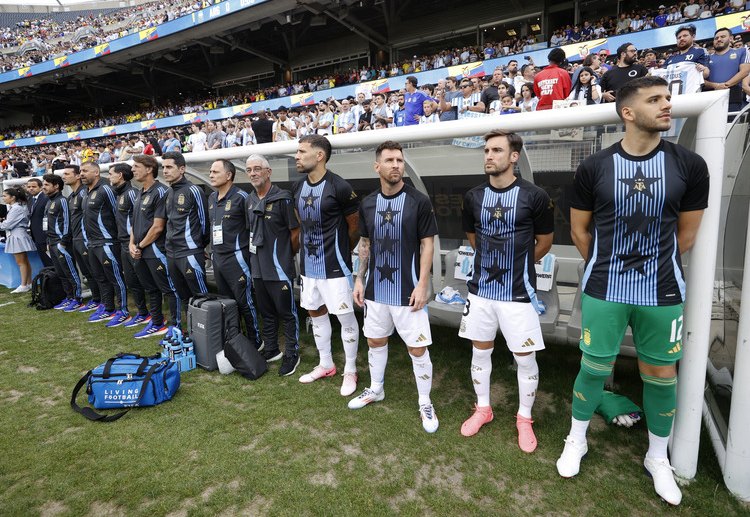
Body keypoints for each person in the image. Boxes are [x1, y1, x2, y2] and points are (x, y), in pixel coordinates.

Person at [556, 76, 709, 506]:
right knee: (594, 367)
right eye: (655, 100)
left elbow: (687, 236)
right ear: (627, 112)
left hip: (662, 290)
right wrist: (612, 265)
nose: (667, 106)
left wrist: (649, 265)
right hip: (605, 285)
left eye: (668, 99)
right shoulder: (594, 167)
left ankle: (657, 458)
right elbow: (580, 230)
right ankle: (577, 438)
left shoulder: (690, 166)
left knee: (662, 374)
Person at [458, 130, 553, 450]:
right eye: (486, 150)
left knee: (525, 359)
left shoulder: (534, 196)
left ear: (514, 157)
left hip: (518, 293)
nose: (488, 155)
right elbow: (473, 237)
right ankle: (483, 408)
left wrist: (516, 264)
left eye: (496, 150)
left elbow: (545, 242)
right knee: (479, 353)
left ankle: (524, 419)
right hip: (481, 291)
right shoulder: (472, 196)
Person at [348, 140, 439, 433]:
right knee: (375, 341)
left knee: (417, 348)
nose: (396, 165)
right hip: (375, 289)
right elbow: (365, 243)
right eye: (389, 160)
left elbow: (428, 245)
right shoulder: (368, 203)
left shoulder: (418, 201)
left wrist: (423, 283)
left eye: (399, 160)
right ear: (377, 166)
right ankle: (376, 388)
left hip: (407, 290)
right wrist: (359, 278)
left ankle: (425, 401)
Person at [294, 135, 361, 395]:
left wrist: (341, 252)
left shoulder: (340, 187)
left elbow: (354, 227)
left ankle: (351, 370)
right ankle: (326, 364)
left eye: (301, 152)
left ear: (319, 155)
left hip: (335, 267)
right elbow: (302, 221)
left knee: (345, 319)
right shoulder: (297, 187)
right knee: (315, 313)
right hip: (308, 268)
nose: (296, 156)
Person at [246, 153, 301, 376]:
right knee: (266, 312)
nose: (253, 173)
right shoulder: (249, 199)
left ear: (268, 172)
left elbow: (295, 232)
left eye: (257, 169)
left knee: (287, 313)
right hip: (257, 267)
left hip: (278, 267)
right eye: (249, 170)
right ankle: (271, 349)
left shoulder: (283, 198)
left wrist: (286, 254)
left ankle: (291, 354)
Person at [207, 159, 263, 350]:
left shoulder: (241, 197)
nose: (211, 175)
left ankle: (256, 342)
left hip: (237, 258)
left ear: (228, 175)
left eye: (215, 171)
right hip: (218, 258)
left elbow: (253, 229)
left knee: (244, 302)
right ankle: (234, 338)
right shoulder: (212, 198)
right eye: (211, 172)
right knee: (226, 302)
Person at [129, 154, 174, 339]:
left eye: (136, 166)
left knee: (168, 289)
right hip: (139, 249)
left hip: (155, 250)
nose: (133, 170)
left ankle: (174, 325)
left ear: (149, 169)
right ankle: (156, 322)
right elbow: (134, 223)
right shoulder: (140, 191)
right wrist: (131, 243)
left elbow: (158, 227)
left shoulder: (161, 191)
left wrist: (139, 245)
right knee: (150, 288)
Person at [163, 151, 209, 331]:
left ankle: (206, 336)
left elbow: (204, 223)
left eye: (169, 167)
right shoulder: (169, 192)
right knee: (182, 297)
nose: (165, 171)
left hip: (190, 252)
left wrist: (198, 246)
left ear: (182, 169)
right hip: (172, 254)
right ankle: (190, 332)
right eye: (163, 167)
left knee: (201, 297)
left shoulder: (193, 190)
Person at [80, 160, 129, 324]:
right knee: (100, 278)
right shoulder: (87, 192)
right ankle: (108, 308)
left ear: (96, 173)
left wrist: (118, 238)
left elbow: (118, 214)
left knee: (115, 278)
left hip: (107, 242)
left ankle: (123, 311)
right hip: (93, 243)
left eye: (85, 170)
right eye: (80, 171)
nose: (82, 174)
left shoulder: (106, 189)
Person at [110, 162, 151, 327]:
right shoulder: (119, 194)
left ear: (120, 175)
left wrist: (136, 243)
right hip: (124, 242)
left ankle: (152, 315)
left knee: (144, 281)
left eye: (111, 174)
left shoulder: (132, 193)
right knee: (132, 281)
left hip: (134, 243)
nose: (109, 177)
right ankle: (143, 313)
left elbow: (139, 220)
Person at [62, 165, 101, 313]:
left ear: (77, 176)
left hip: (86, 239)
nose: (64, 176)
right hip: (76, 239)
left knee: (94, 272)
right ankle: (96, 298)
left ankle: (101, 300)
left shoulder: (84, 193)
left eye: (67, 173)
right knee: (86, 272)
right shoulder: (72, 196)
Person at [42, 173, 82, 309]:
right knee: (61, 273)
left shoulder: (62, 201)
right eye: (43, 184)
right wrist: (48, 241)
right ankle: (69, 297)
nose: (44, 187)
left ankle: (77, 298)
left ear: (56, 186)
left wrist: (63, 242)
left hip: (61, 243)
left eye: (47, 185)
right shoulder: (49, 201)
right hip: (52, 242)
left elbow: (67, 222)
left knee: (69, 271)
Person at [653, 25, 709, 96]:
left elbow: (706, 73)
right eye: (679, 37)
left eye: (685, 36)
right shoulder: (670, 58)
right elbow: (662, 77)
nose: (681, 38)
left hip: (691, 96)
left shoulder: (700, 51)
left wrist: (704, 69)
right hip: (670, 98)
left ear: (693, 37)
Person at [0, 186, 36, 292]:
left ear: (13, 197)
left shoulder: (16, 208)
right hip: (17, 235)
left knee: (21, 262)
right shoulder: (16, 208)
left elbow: (7, 225)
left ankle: (24, 285)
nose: (3, 198)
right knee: (24, 261)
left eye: (5, 196)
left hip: (17, 236)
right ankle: (28, 283)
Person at [706, 27, 749, 112]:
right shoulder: (706, 58)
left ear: (731, 39)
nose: (719, 39)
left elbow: (745, 71)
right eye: (716, 38)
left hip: (733, 97)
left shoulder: (742, 51)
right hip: (710, 98)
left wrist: (725, 85)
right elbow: (701, 79)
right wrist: (716, 86)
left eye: (722, 37)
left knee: (731, 124)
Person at [25, 178, 52, 267]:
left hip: (45, 237)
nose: (31, 188)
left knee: (51, 263)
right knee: (45, 263)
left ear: (40, 187)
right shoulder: (31, 199)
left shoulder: (45, 198)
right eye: (29, 187)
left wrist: (47, 235)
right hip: (36, 236)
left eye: (34, 186)